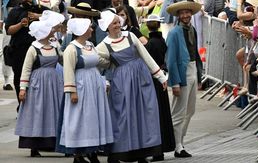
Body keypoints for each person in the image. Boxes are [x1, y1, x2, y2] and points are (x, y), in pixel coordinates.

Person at [96, 11, 168, 163]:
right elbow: (95, 61)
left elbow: (145, 56)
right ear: (107, 27)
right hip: (122, 83)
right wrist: (105, 74)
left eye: (118, 22)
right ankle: (118, 153)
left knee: (144, 113)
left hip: (141, 78)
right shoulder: (103, 45)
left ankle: (142, 152)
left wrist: (160, 76)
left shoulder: (130, 36)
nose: (117, 25)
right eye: (113, 23)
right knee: (123, 115)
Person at [57, 18, 114, 163]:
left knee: (93, 118)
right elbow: (68, 70)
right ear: (82, 30)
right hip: (81, 86)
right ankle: (78, 154)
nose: (92, 30)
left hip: (94, 85)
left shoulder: (90, 45)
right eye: (89, 27)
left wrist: (115, 61)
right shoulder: (71, 48)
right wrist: (72, 91)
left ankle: (92, 151)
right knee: (80, 119)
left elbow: (99, 61)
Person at [14, 12, 64, 157]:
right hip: (38, 85)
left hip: (54, 84)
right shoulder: (33, 48)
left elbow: (64, 60)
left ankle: (57, 143)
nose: (52, 31)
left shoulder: (55, 46)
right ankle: (34, 145)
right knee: (38, 113)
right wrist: (23, 88)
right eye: (49, 30)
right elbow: (26, 69)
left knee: (54, 111)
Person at [166, 1, 203, 158]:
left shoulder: (191, 29)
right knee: (178, 112)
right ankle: (177, 145)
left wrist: (199, 76)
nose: (186, 15)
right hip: (182, 72)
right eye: (182, 13)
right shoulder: (174, 33)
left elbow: (195, 54)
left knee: (190, 110)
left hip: (192, 69)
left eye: (188, 12)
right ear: (178, 16)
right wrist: (174, 82)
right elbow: (170, 59)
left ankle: (180, 142)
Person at [5, 0, 49, 107]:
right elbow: (8, 30)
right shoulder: (15, 11)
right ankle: (22, 104)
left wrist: (39, 16)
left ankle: (35, 105)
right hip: (19, 50)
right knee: (19, 77)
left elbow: (57, 19)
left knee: (36, 77)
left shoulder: (41, 9)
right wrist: (20, 24)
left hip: (37, 49)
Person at [144, 14, 175, 161]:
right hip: (161, 78)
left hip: (154, 80)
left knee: (155, 114)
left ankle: (158, 150)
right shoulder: (161, 41)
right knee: (162, 112)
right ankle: (161, 148)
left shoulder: (150, 44)